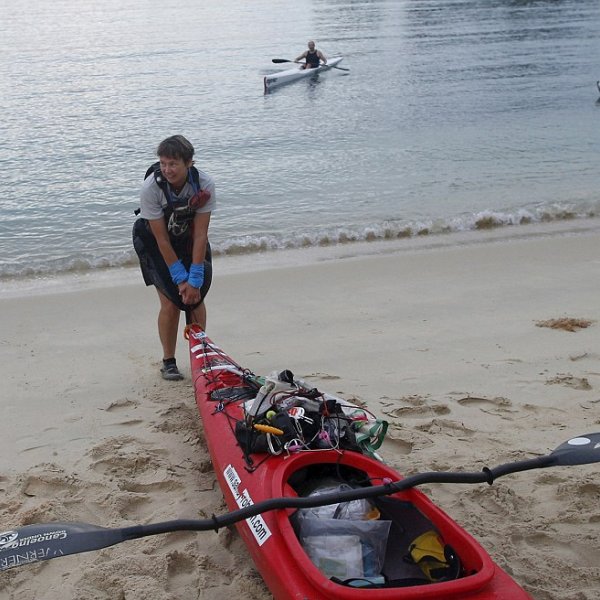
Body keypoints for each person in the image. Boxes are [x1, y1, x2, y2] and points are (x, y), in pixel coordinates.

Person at [133, 135, 215, 381]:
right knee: (171, 302)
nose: (167, 169)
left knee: (195, 300)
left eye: (173, 164)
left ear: (189, 163)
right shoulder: (151, 188)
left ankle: (200, 357)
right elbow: (162, 241)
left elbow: (201, 234)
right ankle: (168, 362)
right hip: (154, 243)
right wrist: (180, 279)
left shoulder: (204, 184)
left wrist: (195, 277)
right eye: (163, 163)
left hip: (189, 240)